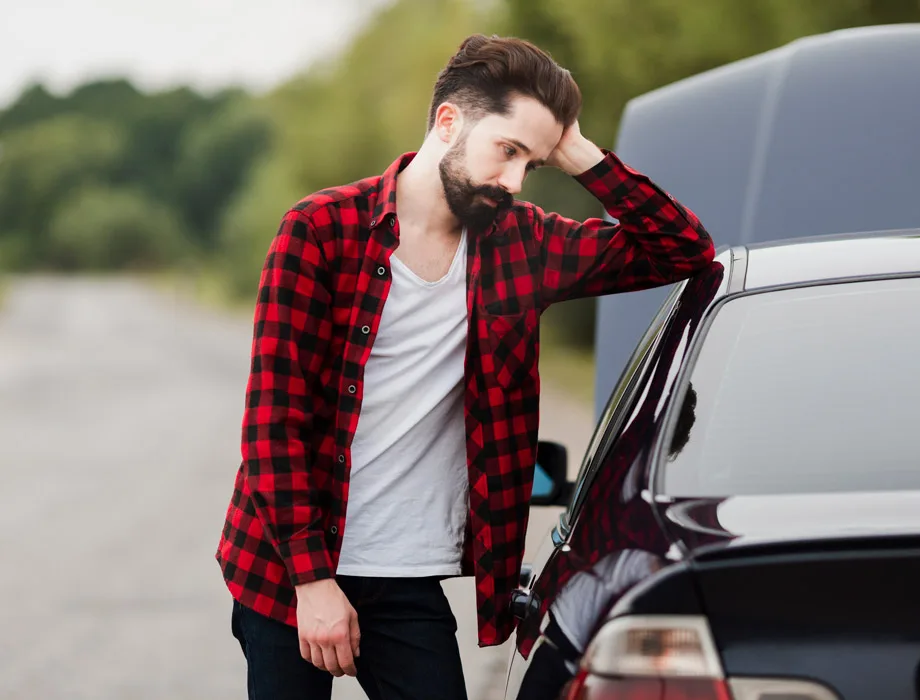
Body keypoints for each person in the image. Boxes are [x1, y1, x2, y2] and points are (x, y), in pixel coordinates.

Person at [215, 32, 718, 700]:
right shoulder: (321, 231)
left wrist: (578, 154)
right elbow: (274, 425)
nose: (513, 181)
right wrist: (312, 581)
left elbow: (683, 249)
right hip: (286, 570)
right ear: (449, 122)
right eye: (507, 151)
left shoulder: (522, 244)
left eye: (531, 165)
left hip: (404, 578)